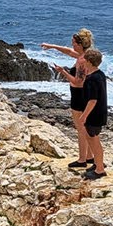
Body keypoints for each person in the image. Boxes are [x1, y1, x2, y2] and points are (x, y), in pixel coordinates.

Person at [43, 29, 95, 168]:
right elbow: (69, 52)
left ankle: (82, 159)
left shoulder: (81, 61)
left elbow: (78, 81)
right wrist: (52, 46)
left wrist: (63, 72)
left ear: (79, 44)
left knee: (81, 128)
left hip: (79, 95)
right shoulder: (86, 55)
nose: (71, 45)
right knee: (86, 127)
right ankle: (90, 157)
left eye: (73, 43)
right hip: (85, 94)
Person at [74, 48, 107, 180]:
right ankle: (98, 163)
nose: (82, 60)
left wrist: (83, 116)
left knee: (93, 141)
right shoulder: (100, 74)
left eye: (84, 58)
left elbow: (92, 100)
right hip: (99, 113)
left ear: (89, 62)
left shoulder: (92, 79)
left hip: (93, 115)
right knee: (94, 139)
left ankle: (99, 170)